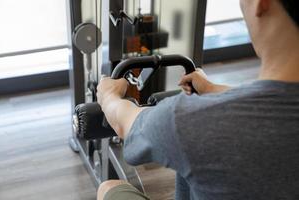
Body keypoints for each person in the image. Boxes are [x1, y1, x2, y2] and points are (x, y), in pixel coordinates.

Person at [96, 0, 299, 199]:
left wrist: (108, 95)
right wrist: (213, 90)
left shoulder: (189, 119)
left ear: (260, 3)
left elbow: (125, 125)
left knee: (110, 188)